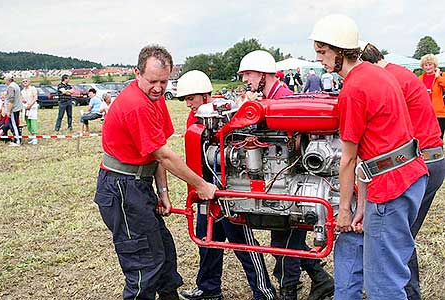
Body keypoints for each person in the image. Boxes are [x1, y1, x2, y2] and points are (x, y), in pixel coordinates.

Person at [309, 14, 428, 300]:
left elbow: (349, 159)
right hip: (409, 174)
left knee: (382, 284)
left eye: (323, 52)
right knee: (393, 267)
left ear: (340, 52)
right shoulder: (379, 73)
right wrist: (363, 201)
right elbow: (375, 150)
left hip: (390, 186)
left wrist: (346, 210)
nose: (319, 60)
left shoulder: (353, 89)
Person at [94, 45, 217, 300]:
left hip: (140, 183)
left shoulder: (156, 98)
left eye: (164, 81)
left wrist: (163, 192)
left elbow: (156, 151)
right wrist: (201, 185)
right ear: (137, 73)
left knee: (163, 252)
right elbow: (164, 156)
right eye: (152, 81)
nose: (159, 88)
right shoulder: (135, 105)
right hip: (122, 187)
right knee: (144, 263)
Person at [238, 49, 334, 300]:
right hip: (279, 180)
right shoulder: (270, 97)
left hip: (291, 180)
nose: (245, 79)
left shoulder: (283, 99)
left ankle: (289, 290)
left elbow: (292, 142)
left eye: (248, 73)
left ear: (263, 73)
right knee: (284, 240)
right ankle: (320, 279)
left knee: (285, 243)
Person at [177, 70, 277, 300]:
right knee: (206, 240)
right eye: (185, 99)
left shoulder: (228, 113)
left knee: (243, 243)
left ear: (204, 94)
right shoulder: (195, 118)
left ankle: (264, 293)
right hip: (205, 189)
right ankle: (208, 289)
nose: (188, 104)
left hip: (228, 190)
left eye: (191, 98)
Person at [356, 42, 445, 300]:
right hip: (431, 157)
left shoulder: (385, 79)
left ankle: (405, 293)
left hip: (420, 160)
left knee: (394, 239)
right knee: (399, 237)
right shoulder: (400, 74)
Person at [418, 53, 445, 139]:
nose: (428, 67)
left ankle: (439, 152)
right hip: (425, 112)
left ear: (435, 65)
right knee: (427, 136)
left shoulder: (442, 76)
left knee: (439, 136)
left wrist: (437, 76)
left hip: (439, 112)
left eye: (430, 64)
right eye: (425, 65)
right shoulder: (420, 78)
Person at [4, 75, 23, 146]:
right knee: (15, 124)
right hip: (16, 108)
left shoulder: (11, 87)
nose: (5, 81)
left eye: (5, 80)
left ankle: (17, 141)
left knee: (14, 125)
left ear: (8, 80)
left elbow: (11, 100)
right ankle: (17, 139)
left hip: (13, 109)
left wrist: (8, 111)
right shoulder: (16, 85)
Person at [20, 78, 39, 145]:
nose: (25, 82)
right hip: (25, 108)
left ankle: (35, 138)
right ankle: (32, 137)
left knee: (33, 122)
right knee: (28, 123)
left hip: (32, 108)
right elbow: (22, 98)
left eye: (26, 81)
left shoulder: (33, 88)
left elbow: (35, 98)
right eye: (23, 81)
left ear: (29, 82)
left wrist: (30, 105)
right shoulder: (22, 91)